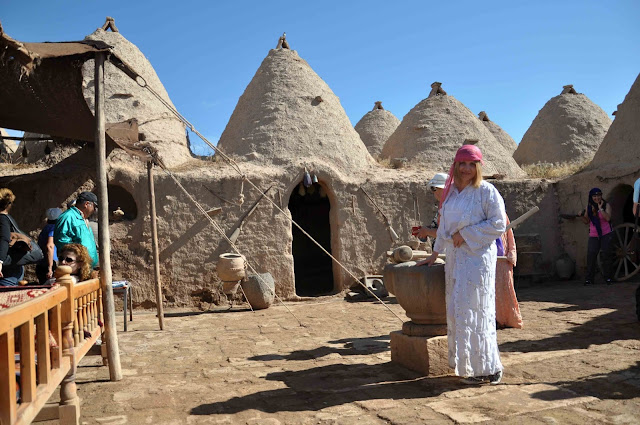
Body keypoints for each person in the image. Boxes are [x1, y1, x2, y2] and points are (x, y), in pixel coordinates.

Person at [417, 145, 506, 385]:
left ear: (478, 167)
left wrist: (467, 233)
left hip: (477, 261)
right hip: (455, 262)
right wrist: (434, 254)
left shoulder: (487, 191)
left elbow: (499, 224)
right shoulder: (451, 194)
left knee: (478, 311)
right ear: (455, 165)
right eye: (462, 164)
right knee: (459, 311)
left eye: (471, 164)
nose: (466, 169)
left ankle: (489, 367)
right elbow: (445, 229)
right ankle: (467, 366)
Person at [54, 191, 99, 269]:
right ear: (87, 204)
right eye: (94, 207)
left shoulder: (83, 219)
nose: (94, 210)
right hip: (76, 268)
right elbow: (62, 241)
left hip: (86, 267)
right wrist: (78, 259)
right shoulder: (68, 217)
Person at [580, 188, 613, 285]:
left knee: (606, 255)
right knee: (591, 256)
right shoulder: (589, 207)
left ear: (601, 196)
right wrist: (582, 216)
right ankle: (589, 279)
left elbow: (608, 218)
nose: (596, 198)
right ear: (591, 197)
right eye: (594, 196)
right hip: (594, 235)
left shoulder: (606, 205)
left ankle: (608, 278)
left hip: (606, 233)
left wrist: (600, 209)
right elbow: (586, 221)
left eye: (598, 195)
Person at [495, 216, 523, 329]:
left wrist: (511, 252)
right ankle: (495, 319)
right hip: (488, 256)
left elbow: (509, 234)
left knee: (505, 287)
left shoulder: (502, 214)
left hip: (503, 258)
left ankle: (507, 318)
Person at [0, 188, 25, 286]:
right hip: (13, 268)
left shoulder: (2, 219)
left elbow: (4, 239)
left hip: (7, 271)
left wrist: (0, 261)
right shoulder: (8, 219)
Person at [414, 172, 448, 241]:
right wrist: (424, 231)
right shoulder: (443, 206)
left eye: (435, 188)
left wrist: (427, 231)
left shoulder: (452, 208)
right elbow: (437, 228)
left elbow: (447, 234)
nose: (434, 192)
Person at [35, 207, 62, 284]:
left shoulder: (46, 228)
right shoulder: (53, 229)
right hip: (49, 263)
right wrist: (50, 267)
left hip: (41, 263)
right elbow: (50, 246)